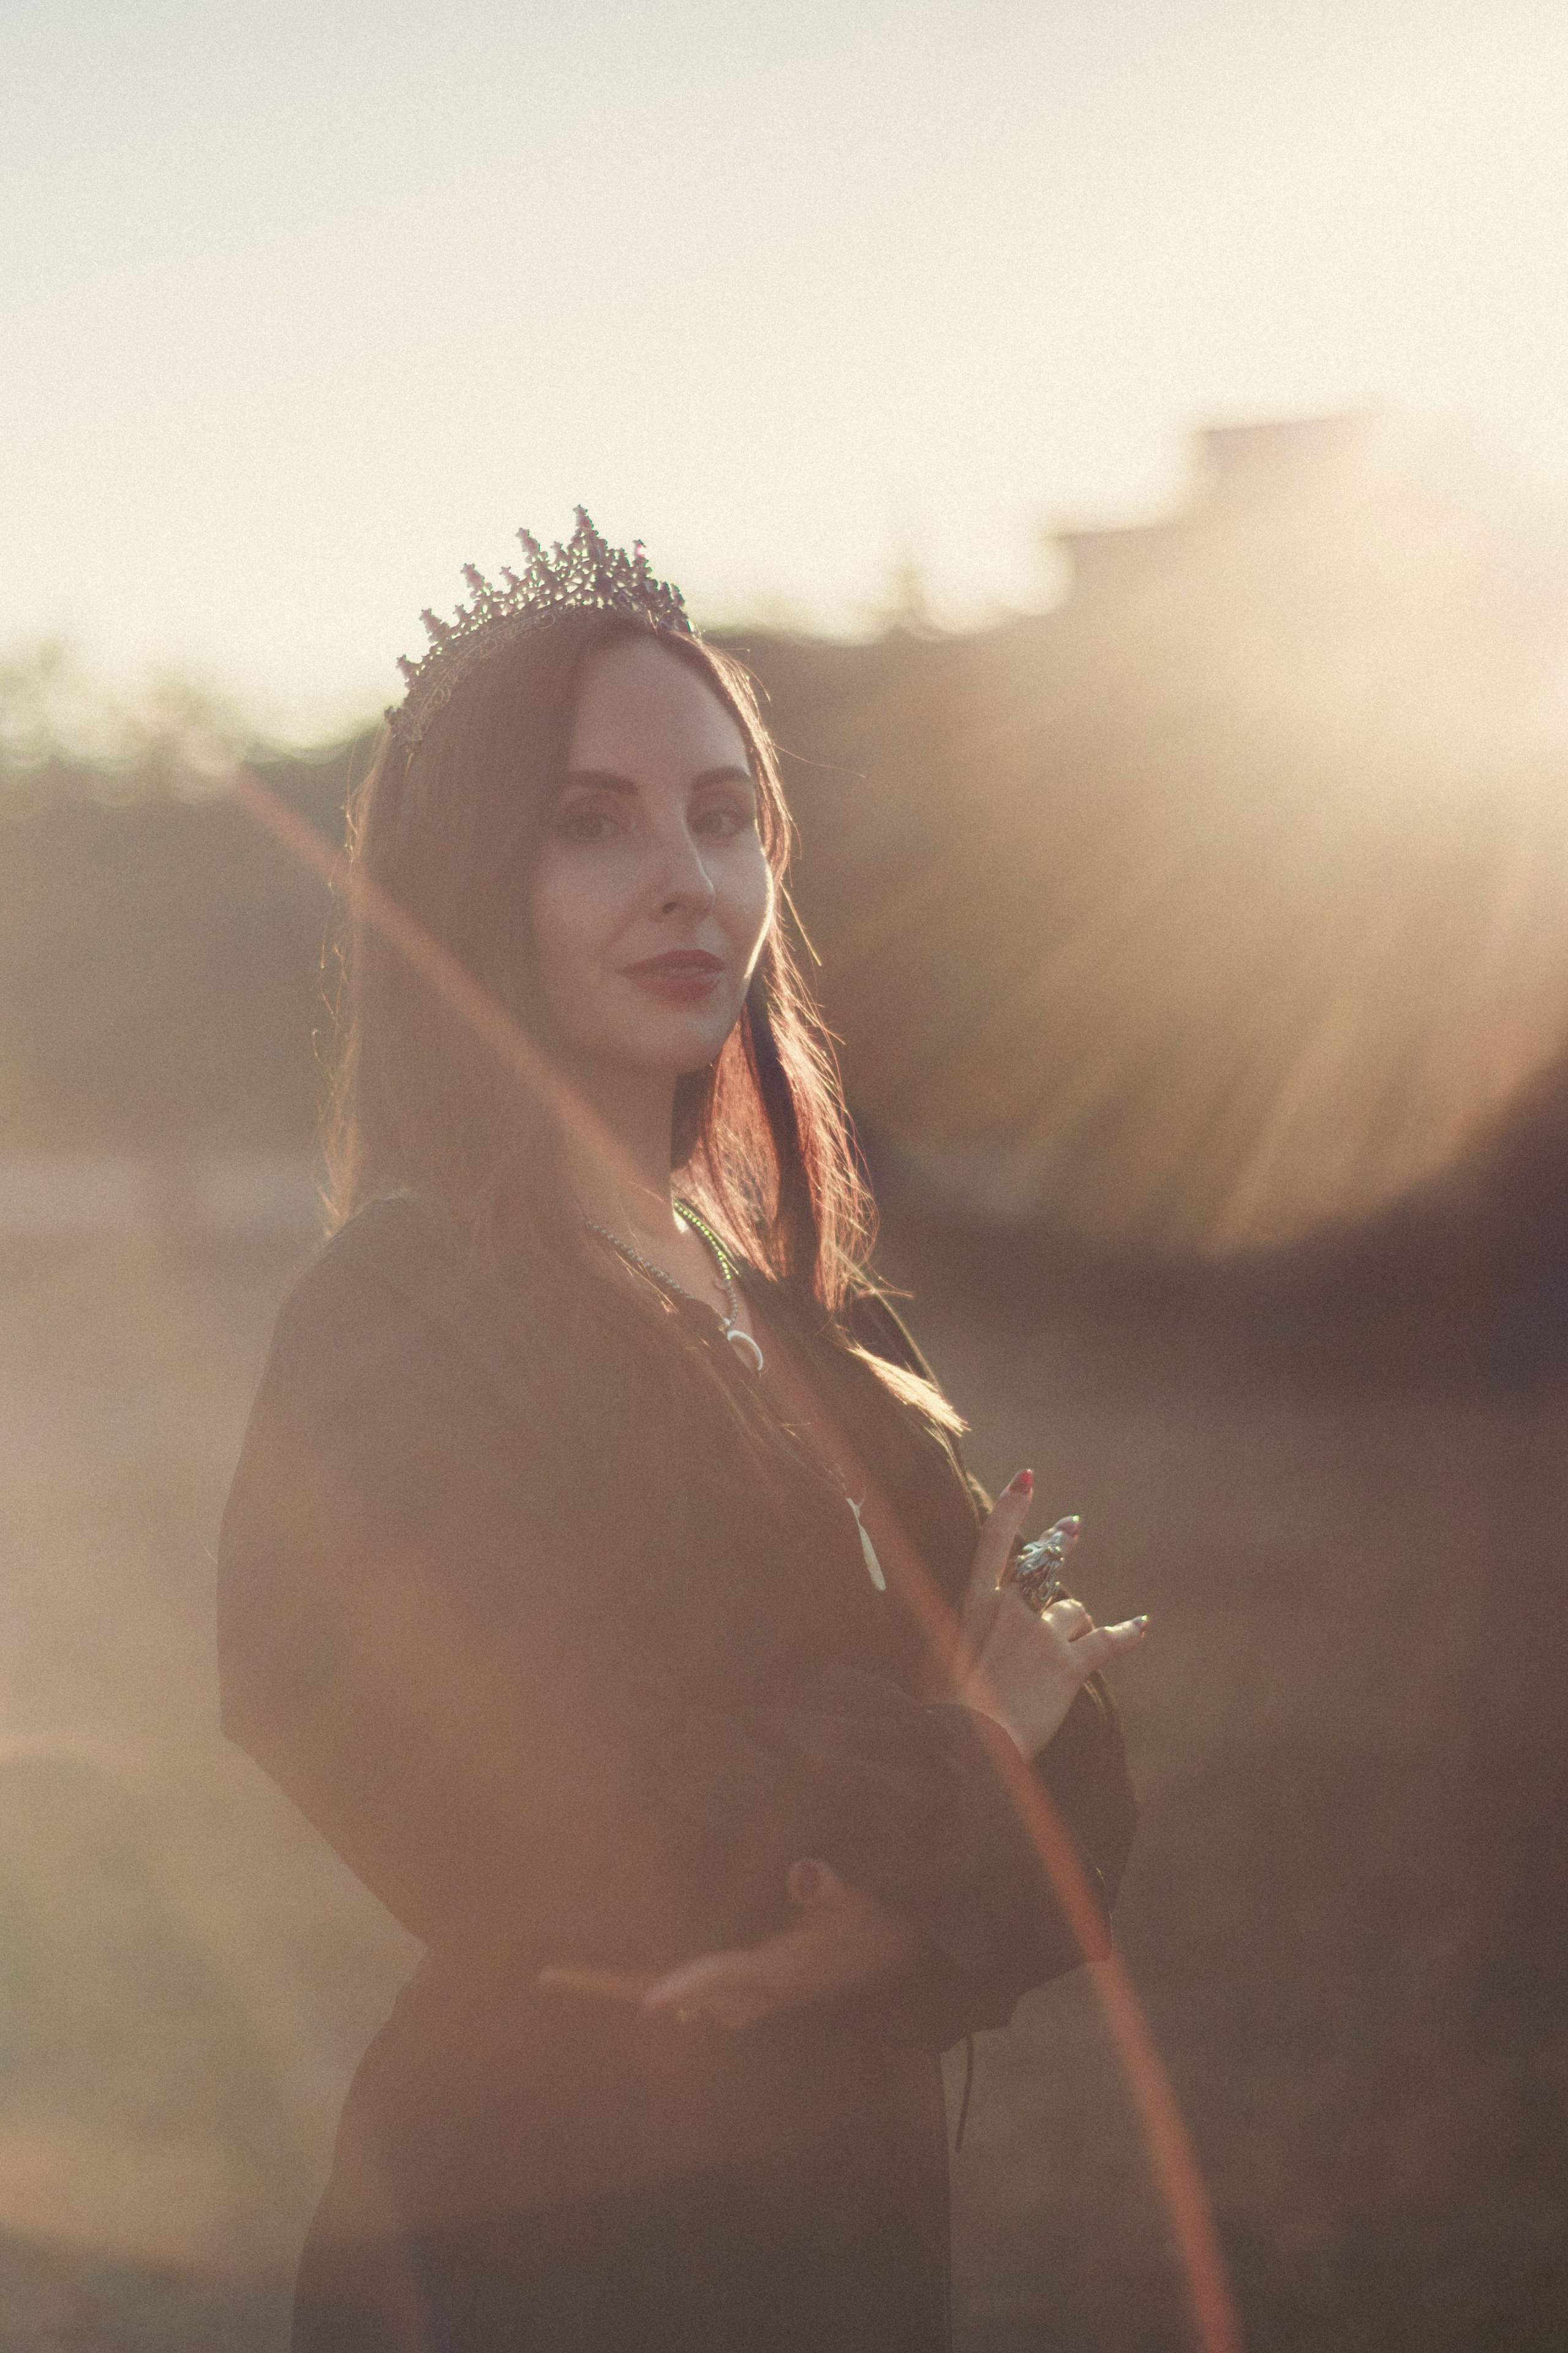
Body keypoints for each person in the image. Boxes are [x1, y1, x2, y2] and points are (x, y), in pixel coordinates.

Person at [217, 512, 1147, 2353]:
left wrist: (882, 1919)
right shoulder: (394, 1314)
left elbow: (1093, 1779)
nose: (685, 878)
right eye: (594, 821)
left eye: (724, 815)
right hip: (539, 2239)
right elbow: (565, 1809)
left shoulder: (816, 1321)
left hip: (850, 2230)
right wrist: (963, 1747)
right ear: (471, 876)